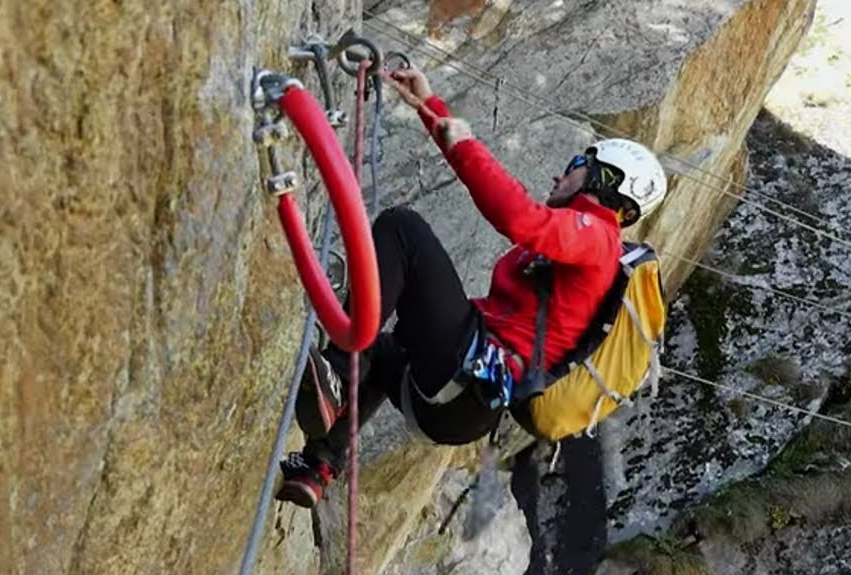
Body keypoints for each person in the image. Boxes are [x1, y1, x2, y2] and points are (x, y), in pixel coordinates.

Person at [275, 67, 668, 509]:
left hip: (466, 376)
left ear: (606, 180)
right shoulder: (578, 245)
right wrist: (430, 107)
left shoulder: (597, 236)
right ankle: (319, 465)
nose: (560, 177)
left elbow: (517, 216)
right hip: (460, 410)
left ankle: (335, 373)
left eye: (576, 166)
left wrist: (456, 133)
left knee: (402, 229)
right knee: (382, 349)